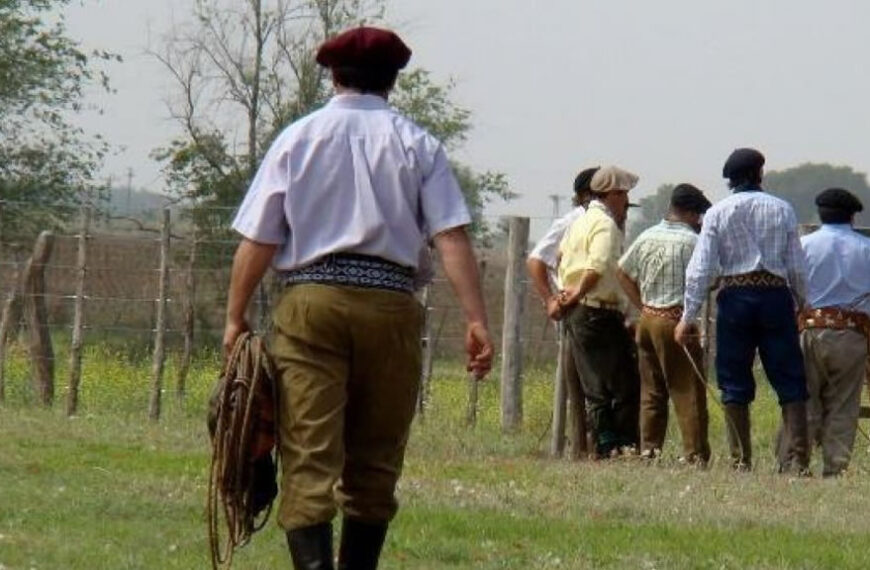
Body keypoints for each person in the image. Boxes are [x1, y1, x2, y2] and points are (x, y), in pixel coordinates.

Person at [223, 26, 494, 570]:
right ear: (394, 79)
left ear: (332, 74)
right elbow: (451, 237)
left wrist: (234, 318)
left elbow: (260, 239)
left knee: (309, 451)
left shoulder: (298, 138)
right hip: (391, 307)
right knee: (375, 458)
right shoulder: (418, 143)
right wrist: (475, 319)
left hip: (310, 305)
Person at [675, 148, 809, 474]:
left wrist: (688, 317)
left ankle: (740, 460)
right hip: (775, 296)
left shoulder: (717, 213)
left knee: (733, 379)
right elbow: (797, 266)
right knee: (790, 378)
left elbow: (700, 269)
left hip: (735, 296)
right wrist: (804, 304)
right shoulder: (782, 209)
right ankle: (795, 460)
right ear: (759, 173)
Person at [617, 184, 712, 463]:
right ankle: (694, 453)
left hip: (647, 320)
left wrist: (642, 305)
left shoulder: (647, 236)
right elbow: (711, 278)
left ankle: (650, 449)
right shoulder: (693, 243)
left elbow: (622, 271)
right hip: (675, 322)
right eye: (699, 216)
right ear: (693, 214)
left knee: (651, 390)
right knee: (687, 390)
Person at [558, 165, 640, 457]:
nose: (626, 200)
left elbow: (560, 257)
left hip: (579, 311)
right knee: (625, 384)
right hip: (598, 309)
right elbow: (599, 265)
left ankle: (603, 446)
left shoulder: (579, 222)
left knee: (594, 385)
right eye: (624, 194)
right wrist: (579, 291)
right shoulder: (606, 225)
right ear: (613, 194)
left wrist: (566, 292)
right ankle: (621, 445)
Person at [796, 188, 870, 477]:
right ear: (852, 217)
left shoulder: (803, 245)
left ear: (820, 214)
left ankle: (795, 463)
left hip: (810, 329)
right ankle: (835, 469)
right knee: (843, 405)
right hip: (852, 333)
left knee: (804, 401)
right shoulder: (865, 248)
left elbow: (793, 288)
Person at [526, 167, 598, 459]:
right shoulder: (573, 221)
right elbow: (536, 260)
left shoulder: (602, 222)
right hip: (577, 305)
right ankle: (581, 448)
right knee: (580, 379)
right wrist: (550, 300)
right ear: (583, 196)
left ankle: (590, 447)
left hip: (599, 308)